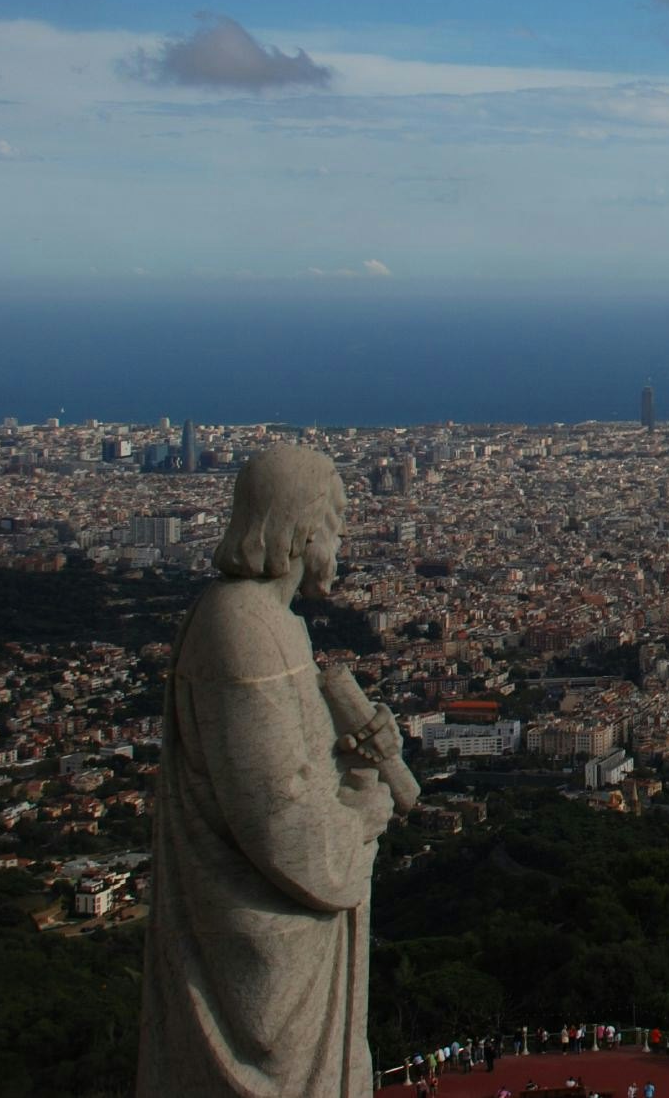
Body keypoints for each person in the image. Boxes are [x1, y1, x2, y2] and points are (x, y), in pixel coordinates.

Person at [136, 446, 396, 1097]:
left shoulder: (274, 624)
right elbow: (279, 824)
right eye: (337, 521)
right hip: (254, 966)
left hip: (282, 949)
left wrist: (357, 764)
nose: (341, 539)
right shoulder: (241, 631)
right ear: (303, 526)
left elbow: (299, 774)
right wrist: (364, 815)